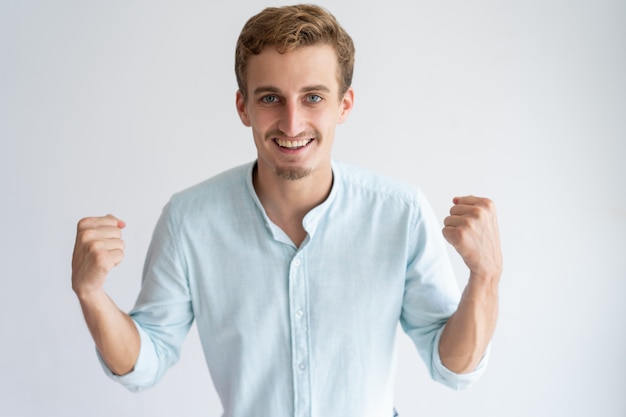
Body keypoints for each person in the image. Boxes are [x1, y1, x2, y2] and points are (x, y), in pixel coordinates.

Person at [71, 4, 502, 416]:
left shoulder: (400, 214)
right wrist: (91, 294)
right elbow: (146, 361)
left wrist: (486, 277)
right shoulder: (190, 221)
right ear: (243, 107)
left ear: (344, 105)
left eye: (313, 97)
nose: (292, 124)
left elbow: (453, 367)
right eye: (271, 99)